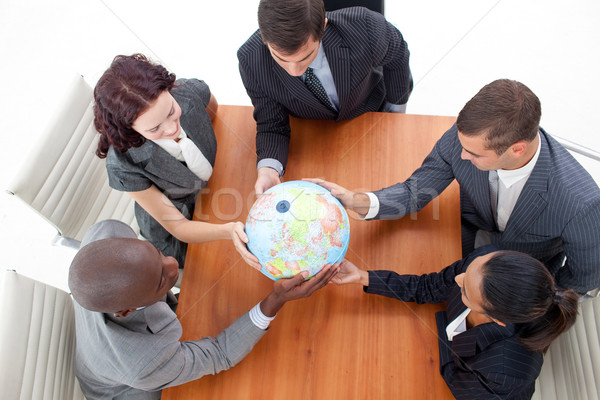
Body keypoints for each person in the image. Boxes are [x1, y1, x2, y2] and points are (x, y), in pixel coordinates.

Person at [309, 79, 600, 294]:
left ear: (517, 150)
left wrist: (520, 302)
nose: (461, 156)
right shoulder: (465, 138)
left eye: (474, 155)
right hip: (462, 238)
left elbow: (580, 281)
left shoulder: (581, 203)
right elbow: (415, 192)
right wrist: (355, 199)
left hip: (517, 276)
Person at [69, 219, 339, 400]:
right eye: (161, 279)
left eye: (157, 253)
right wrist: (275, 299)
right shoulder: (145, 364)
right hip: (126, 391)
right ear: (127, 311)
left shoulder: (106, 232)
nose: (174, 263)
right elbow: (219, 354)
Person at [334, 246, 579, 399]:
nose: (459, 278)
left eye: (464, 291)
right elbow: (429, 287)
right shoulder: (482, 267)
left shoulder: (503, 373)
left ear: (495, 318)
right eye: (468, 271)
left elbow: (454, 380)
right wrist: (362, 277)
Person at [94, 54, 259, 270]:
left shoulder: (188, 91)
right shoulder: (124, 166)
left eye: (171, 111)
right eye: (154, 128)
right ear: (128, 129)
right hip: (179, 228)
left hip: (215, 191)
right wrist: (227, 230)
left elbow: (213, 113)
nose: (172, 129)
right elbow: (180, 227)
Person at [237, 0, 413, 194]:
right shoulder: (251, 59)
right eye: (280, 58)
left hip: (369, 112)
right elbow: (272, 123)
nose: (294, 71)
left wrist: (394, 112)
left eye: (305, 57)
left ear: (323, 27)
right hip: (312, 128)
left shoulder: (366, 26)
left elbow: (398, 55)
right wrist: (268, 171)